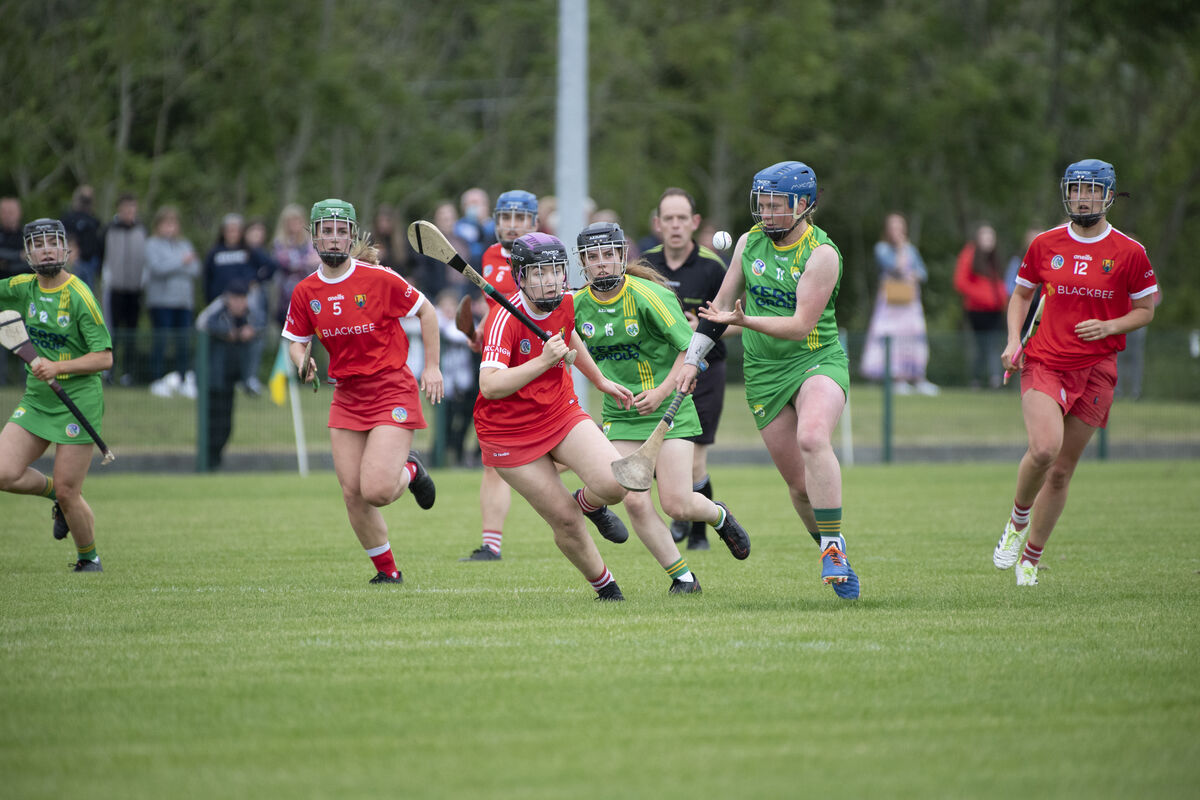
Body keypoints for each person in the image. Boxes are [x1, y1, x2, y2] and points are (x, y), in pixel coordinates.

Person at [677, 161, 860, 600]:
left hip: (816, 359)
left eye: (777, 206)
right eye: (762, 205)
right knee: (799, 487)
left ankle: (833, 545)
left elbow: (799, 326)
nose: (767, 214)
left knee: (813, 437)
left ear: (804, 205)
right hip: (764, 373)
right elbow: (720, 309)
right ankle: (831, 550)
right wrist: (691, 359)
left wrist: (744, 320)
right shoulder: (749, 243)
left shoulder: (822, 255)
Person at [992, 159, 1157, 587]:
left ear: (1108, 196)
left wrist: (1110, 326)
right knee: (1044, 449)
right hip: (1045, 359)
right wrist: (1013, 340)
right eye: (1075, 189)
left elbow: (1146, 310)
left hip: (1098, 369)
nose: (1082, 197)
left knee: (1062, 470)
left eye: (1091, 190)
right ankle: (1016, 522)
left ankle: (1030, 559)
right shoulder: (1045, 244)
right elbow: (1021, 296)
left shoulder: (1129, 252)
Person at [573, 222, 751, 593]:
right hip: (621, 416)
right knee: (633, 500)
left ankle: (719, 516)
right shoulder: (575, 305)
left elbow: (691, 347)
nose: (602, 264)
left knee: (678, 504)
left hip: (669, 407)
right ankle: (683, 579)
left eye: (609, 255)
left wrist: (662, 391)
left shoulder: (649, 295)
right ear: (583, 264)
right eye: (593, 257)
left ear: (622, 256)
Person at [282, 199, 442, 585]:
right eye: (326, 231)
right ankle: (388, 573)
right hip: (348, 395)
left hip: (391, 389)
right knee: (352, 492)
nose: (333, 239)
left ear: (351, 236)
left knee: (377, 491)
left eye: (341, 232)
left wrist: (433, 368)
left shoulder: (378, 278)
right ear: (314, 236)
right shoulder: (306, 291)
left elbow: (427, 311)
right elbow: (295, 340)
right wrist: (302, 360)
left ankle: (411, 469)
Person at [474, 232, 636, 600]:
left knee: (617, 483)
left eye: (556, 272)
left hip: (559, 412)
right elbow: (490, 386)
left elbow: (570, 335)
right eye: (539, 273)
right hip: (508, 433)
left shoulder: (566, 301)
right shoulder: (503, 319)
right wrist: (542, 361)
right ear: (521, 277)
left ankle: (586, 503)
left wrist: (600, 381)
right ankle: (607, 587)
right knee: (564, 519)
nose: (550, 281)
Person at [0, 218, 112, 572]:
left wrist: (57, 367)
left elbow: (105, 358)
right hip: (37, 400)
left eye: (52, 242)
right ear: (28, 252)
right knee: (3, 473)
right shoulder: (22, 286)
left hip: (77, 401)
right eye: (38, 244)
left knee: (70, 490)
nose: (46, 249)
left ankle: (88, 558)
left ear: (66, 248)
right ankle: (52, 495)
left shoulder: (80, 296)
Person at [642, 188, 734, 551]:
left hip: (707, 372)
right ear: (658, 224)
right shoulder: (644, 266)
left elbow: (740, 321)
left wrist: (703, 327)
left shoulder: (714, 266)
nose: (676, 225)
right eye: (669, 219)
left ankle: (697, 533)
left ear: (695, 223)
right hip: (662, 374)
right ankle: (686, 514)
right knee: (656, 459)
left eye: (683, 218)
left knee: (695, 458)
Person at [455, 190, 540, 561]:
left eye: (521, 218)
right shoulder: (489, 257)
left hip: (536, 365)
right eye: (506, 217)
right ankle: (491, 545)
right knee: (494, 458)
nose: (512, 224)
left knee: (555, 451)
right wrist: (480, 335)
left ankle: (599, 478)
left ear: (534, 223)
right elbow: (497, 308)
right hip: (499, 365)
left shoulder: (542, 254)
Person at [860, 212, 938, 395]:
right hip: (890, 304)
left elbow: (922, 273)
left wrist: (913, 274)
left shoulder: (911, 249)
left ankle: (917, 377)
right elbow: (895, 266)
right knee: (892, 338)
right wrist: (902, 248)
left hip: (909, 303)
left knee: (913, 336)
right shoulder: (882, 248)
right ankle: (896, 378)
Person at [194, 279, 264, 468]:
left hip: (229, 381)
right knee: (211, 425)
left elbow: (261, 324)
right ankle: (206, 463)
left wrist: (251, 331)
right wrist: (227, 333)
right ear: (228, 299)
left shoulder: (248, 315)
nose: (240, 303)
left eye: (243, 299)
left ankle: (214, 462)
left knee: (226, 427)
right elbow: (203, 324)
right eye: (236, 299)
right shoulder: (217, 311)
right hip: (212, 381)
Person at [203, 213, 271, 394]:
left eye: (236, 230)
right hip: (222, 306)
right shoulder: (215, 252)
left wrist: (256, 279)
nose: (232, 233)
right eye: (229, 230)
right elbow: (207, 279)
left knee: (255, 337)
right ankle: (214, 381)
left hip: (246, 304)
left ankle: (249, 379)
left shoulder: (249, 251)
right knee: (217, 344)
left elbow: (271, 266)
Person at [144, 205, 200, 397]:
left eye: (173, 223)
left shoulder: (184, 244)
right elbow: (157, 268)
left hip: (184, 302)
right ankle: (157, 379)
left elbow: (196, 269)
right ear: (158, 225)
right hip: (161, 302)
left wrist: (179, 263)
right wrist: (181, 262)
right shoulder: (152, 244)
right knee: (161, 341)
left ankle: (183, 379)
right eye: (166, 223)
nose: (170, 227)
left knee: (183, 342)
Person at [953, 223, 1008, 389]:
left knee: (993, 344)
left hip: (995, 310)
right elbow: (960, 282)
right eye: (985, 236)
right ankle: (977, 379)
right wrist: (983, 297)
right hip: (976, 310)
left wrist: (1000, 299)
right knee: (981, 345)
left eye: (991, 237)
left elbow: (999, 283)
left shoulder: (994, 259)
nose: (988, 241)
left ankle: (995, 379)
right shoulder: (970, 254)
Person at [101, 193, 147, 386]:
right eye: (126, 209)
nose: (129, 213)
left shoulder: (142, 230)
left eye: (132, 209)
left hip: (134, 290)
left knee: (131, 333)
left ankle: (128, 373)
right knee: (113, 332)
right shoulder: (110, 230)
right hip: (115, 289)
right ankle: (108, 371)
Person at [271, 204, 321, 328]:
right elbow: (287, 262)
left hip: (310, 296)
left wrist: (311, 261)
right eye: (290, 221)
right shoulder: (280, 243)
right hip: (286, 297)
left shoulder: (311, 241)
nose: (294, 224)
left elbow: (319, 262)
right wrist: (308, 261)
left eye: (297, 220)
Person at [61, 186, 102, 290]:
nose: (86, 202)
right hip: (74, 261)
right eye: (84, 199)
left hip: (90, 261)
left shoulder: (93, 220)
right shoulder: (69, 218)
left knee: (88, 294)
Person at [454, 187, 496, 268]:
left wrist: (480, 224)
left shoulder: (494, 227)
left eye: (476, 203)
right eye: (469, 204)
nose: (472, 207)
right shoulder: (457, 227)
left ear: (486, 205)